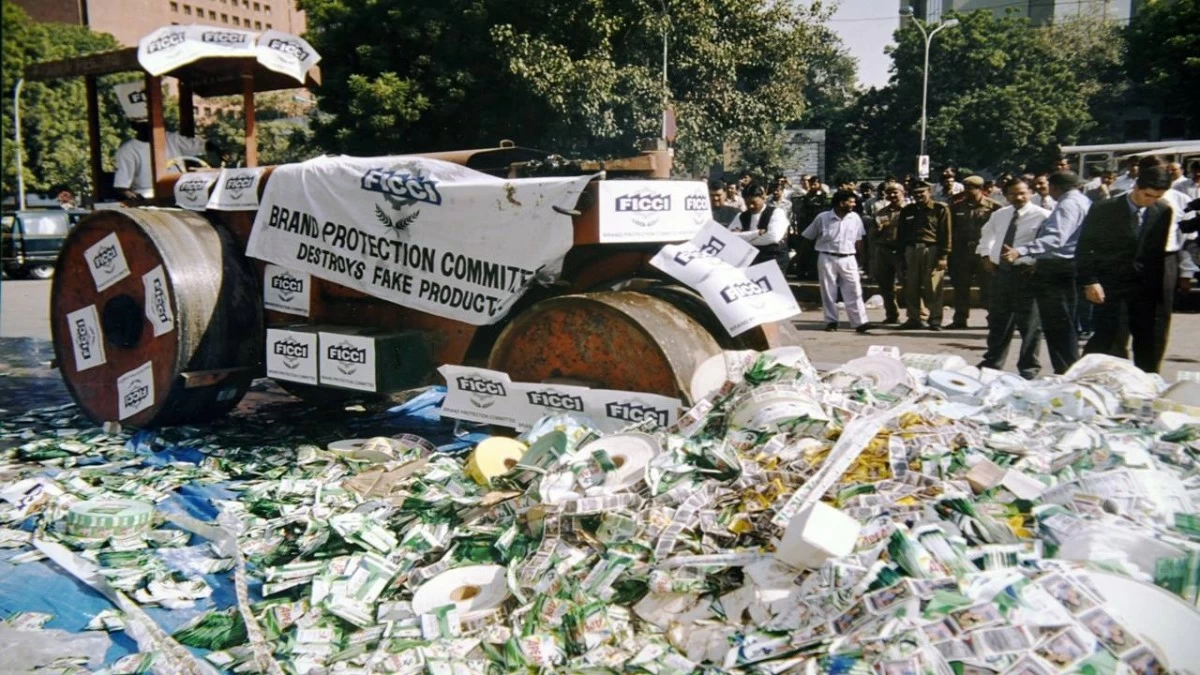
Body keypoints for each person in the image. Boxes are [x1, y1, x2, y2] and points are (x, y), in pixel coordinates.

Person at [1077, 165, 1184, 373]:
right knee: (1112, 339)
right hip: (1112, 286)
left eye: (1157, 197)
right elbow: (1084, 248)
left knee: (1150, 340)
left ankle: (1148, 384)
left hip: (1145, 288)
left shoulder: (1162, 210)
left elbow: (1155, 252)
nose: (1150, 201)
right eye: (1147, 195)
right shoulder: (1104, 209)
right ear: (1136, 186)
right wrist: (1090, 281)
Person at [1001, 171, 1090, 374]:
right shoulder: (1082, 200)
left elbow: (1056, 238)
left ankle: (1066, 373)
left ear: (1056, 187)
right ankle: (1068, 371)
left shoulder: (1068, 204)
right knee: (1064, 326)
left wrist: (1021, 251)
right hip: (1067, 266)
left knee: (1058, 327)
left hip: (1058, 268)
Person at [976, 178, 1050, 379]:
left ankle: (1029, 368)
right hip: (1002, 274)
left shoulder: (1043, 216)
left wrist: (1031, 261)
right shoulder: (1000, 215)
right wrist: (985, 255)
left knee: (1030, 326)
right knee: (999, 321)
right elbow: (986, 236)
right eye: (1013, 194)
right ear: (1006, 195)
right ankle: (992, 362)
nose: (1018, 197)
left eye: (1022, 193)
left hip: (1027, 274)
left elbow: (1047, 244)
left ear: (1030, 192)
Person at [801, 189, 871, 333]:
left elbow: (859, 240)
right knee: (828, 291)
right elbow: (808, 237)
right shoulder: (822, 218)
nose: (853, 204)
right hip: (827, 257)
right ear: (841, 203)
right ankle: (831, 321)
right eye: (850, 201)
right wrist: (800, 258)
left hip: (849, 258)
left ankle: (859, 322)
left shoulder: (855, 218)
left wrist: (862, 259)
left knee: (854, 290)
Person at [898, 181, 952, 331]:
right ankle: (914, 318)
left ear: (929, 192)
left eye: (922, 192)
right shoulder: (907, 210)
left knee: (933, 286)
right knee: (911, 285)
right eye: (915, 193)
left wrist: (943, 256)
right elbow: (901, 235)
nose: (919, 196)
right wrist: (901, 256)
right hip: (911, 250)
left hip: (932, 249)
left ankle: (935, 320)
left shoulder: (940, 209)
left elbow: (946, 233)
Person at [947, 175, 1000, 328]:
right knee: (961, 286)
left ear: (981, 189)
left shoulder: (994, 207)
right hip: (962, 252)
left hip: (984, 252)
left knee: (988, 286)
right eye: (966, 188)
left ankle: (993, 318)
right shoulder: (957, 207)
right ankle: (960, 318)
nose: (968, 191)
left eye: (971, 188)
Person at [113, 120, 208, 200]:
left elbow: (201, 146)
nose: (152, 128)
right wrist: (136, 198)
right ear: (136, 127)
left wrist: (217, 150)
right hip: (150, 196)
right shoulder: (127, 150)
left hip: (183, 191)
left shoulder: (171, 139)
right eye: (147, 125)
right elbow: (121, 186)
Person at [733, 183, 790, 273]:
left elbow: (773, 237)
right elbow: (730, 238)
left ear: (763, 197)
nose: (751, 206)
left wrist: (743, 238)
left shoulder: (777, 213)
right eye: (747, 203)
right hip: (751, 261)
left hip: (773, 259)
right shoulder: (741, 216)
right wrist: (756, 233)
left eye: (753, 203)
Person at [872, 182, 907, 324]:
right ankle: (892, 314)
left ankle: (916, 315)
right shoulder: (882, 212)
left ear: (902, 193)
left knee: (908, 284)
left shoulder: (908, 210)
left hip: (902, 251)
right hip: (884, 250)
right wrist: (878, 229)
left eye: (895, 192)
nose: (892, 195)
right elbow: (873, 234)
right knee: (886, 285)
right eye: (889, 193)